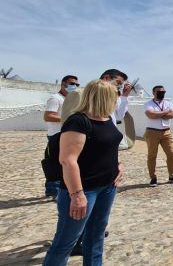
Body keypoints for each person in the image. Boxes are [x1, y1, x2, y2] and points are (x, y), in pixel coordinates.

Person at [43, 80, 123, 266]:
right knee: (65, 242)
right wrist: (77, 195)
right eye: (115, 95)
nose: (117, 99)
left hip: (107, 187)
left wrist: (118, 165)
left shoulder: (106, 118)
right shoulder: (78, 121)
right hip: (84, 190)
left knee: (96, 237)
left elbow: (107, 147)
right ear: (104, 97)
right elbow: (68, 160)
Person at [44, 75, 79, 198]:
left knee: (65, 163)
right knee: (55, 164)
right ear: (63, 84)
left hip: (67, 134)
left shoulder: (71, 100)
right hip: (56, 135)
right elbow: (48, 116)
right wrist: (68, 118)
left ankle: (58, 190)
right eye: (71, 83)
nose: (74, 86)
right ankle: (53, 191)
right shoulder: (56, 98)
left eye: (76, 84)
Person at [144, 85, 173, 187]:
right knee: (152, 156)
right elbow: (150, 115)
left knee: (171, 154)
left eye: (163, 92)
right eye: (159, 92)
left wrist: (158, 114)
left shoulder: (168, 103)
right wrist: (165, 112)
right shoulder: (148, 104)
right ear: (153, 93)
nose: (162, 93)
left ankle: (172, 176)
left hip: (166, 133)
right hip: (152, 132)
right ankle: (153, 177)